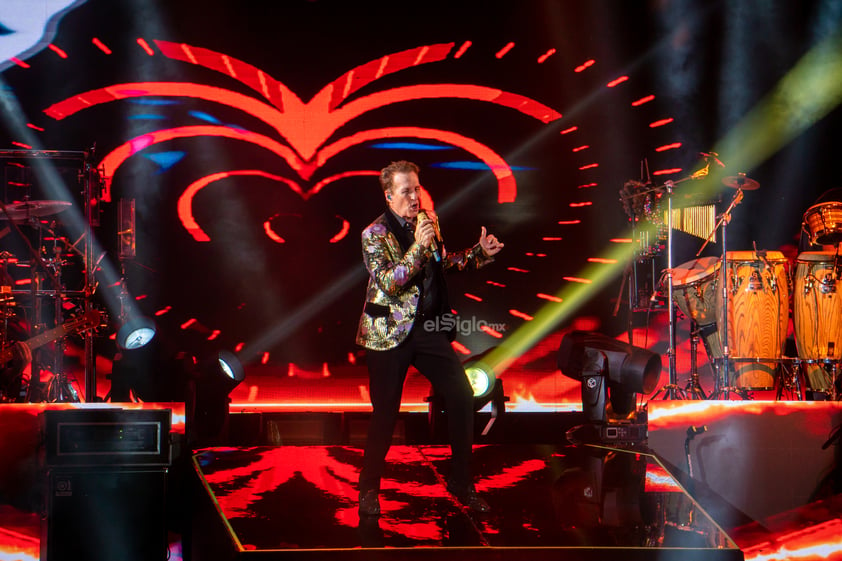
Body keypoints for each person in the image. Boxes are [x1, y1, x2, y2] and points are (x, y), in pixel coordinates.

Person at [356, 160, 504, 517]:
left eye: (417, 189)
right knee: (386, 413)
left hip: (427, 329)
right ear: (389, 196)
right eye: (406, 191)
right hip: (389, 333)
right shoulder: (373, 235)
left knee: (461, 394)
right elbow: (390, 282)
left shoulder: (429, 222)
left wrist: (478, 253)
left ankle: (461, 481)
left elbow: (443, 264)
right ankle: (369, 487)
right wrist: (419, 249)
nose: (414, 197)